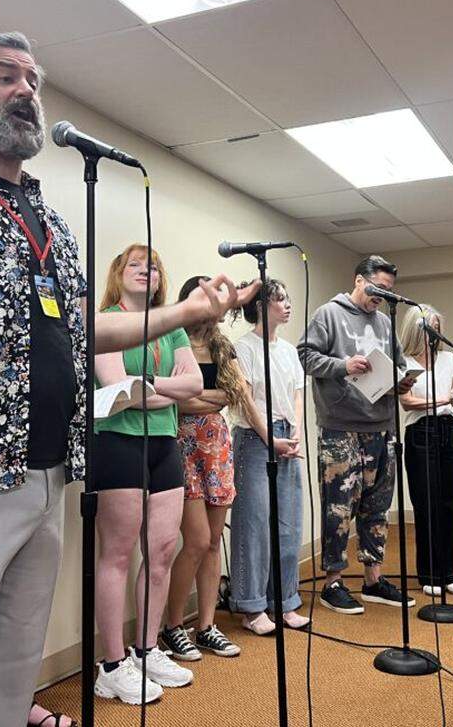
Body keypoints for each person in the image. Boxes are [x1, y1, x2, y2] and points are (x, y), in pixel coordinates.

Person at [0, 32, 255, 727]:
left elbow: (86, 332)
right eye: (7, 76)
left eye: (35, 80)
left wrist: (186, 311)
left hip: (47, 477)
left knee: (8, 676)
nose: (27, 90)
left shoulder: (52, 224)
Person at [92, 245, 201, 704]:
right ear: (119, 275)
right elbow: (117, 391)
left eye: (153, 266)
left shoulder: (171, 328)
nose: (145, 271)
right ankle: (112, 665)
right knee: (117, 555)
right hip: (116, 442)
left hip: (163, 444)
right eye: (135, 265)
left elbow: (195, 385)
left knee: (160, 553)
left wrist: (149, 390)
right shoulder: (106, 322)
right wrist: (165, 389)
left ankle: (147, 648)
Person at [297, 255, 416, 614]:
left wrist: (403, 378)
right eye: (378, 287)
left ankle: (373, 581)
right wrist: (342, 365)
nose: (382, 295)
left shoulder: (384, 320)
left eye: (389, 290)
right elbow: (304, 355)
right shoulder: (328, 314)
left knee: (376, 507)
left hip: (381, 426)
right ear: (359, 280)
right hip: (340, 426)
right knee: (339, 508)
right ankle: (332, 583)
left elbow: (400, 363)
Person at [160, 276, 250, 661]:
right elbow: (171, 401)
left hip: (218, 446)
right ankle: (172, 627)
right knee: (195, 540)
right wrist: (202, 400)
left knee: (214, 542)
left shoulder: (221, 344)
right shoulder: (170, 341)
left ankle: (206, 626)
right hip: (180, 446)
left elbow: (234, 393)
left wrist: (200, 397)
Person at [228, 279, 311, 634]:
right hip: (253, 437)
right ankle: (251, 607)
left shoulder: (290, 350)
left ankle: (285, 601)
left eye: (288, 298)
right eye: (280, 298)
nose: (288, 304)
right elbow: (244, 398)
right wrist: (268, 437)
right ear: (260, 306)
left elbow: (296, 394)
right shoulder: (242, 347)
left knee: (289, 523)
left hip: (286, 436)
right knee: (254, 525)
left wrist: (296, 432)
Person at [400, 304, 453, 598]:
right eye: (430, 328)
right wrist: (443, 398)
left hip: (450, 429)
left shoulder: (449, 357)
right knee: (426, 501)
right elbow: (406, 401)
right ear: (417, 331)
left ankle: (452, 572)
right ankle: (430, 573)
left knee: (452, 500)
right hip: (421, 432)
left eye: (438, 328)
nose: (436, 334)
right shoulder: (404, 361)